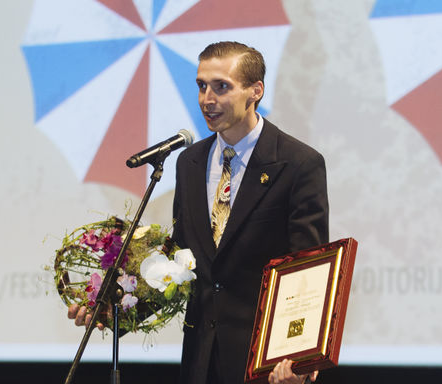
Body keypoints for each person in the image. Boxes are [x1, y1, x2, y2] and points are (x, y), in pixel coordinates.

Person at [70, 41, 328, 384]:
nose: (207, 98)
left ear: (256, 91)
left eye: (221, 87)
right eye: (201, 85)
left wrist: (301, 359)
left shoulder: (298, 164)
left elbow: (307, 268)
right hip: (200, 364)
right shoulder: (189, 163)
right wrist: (117, 312)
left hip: (265, 368)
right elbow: (182, 265)